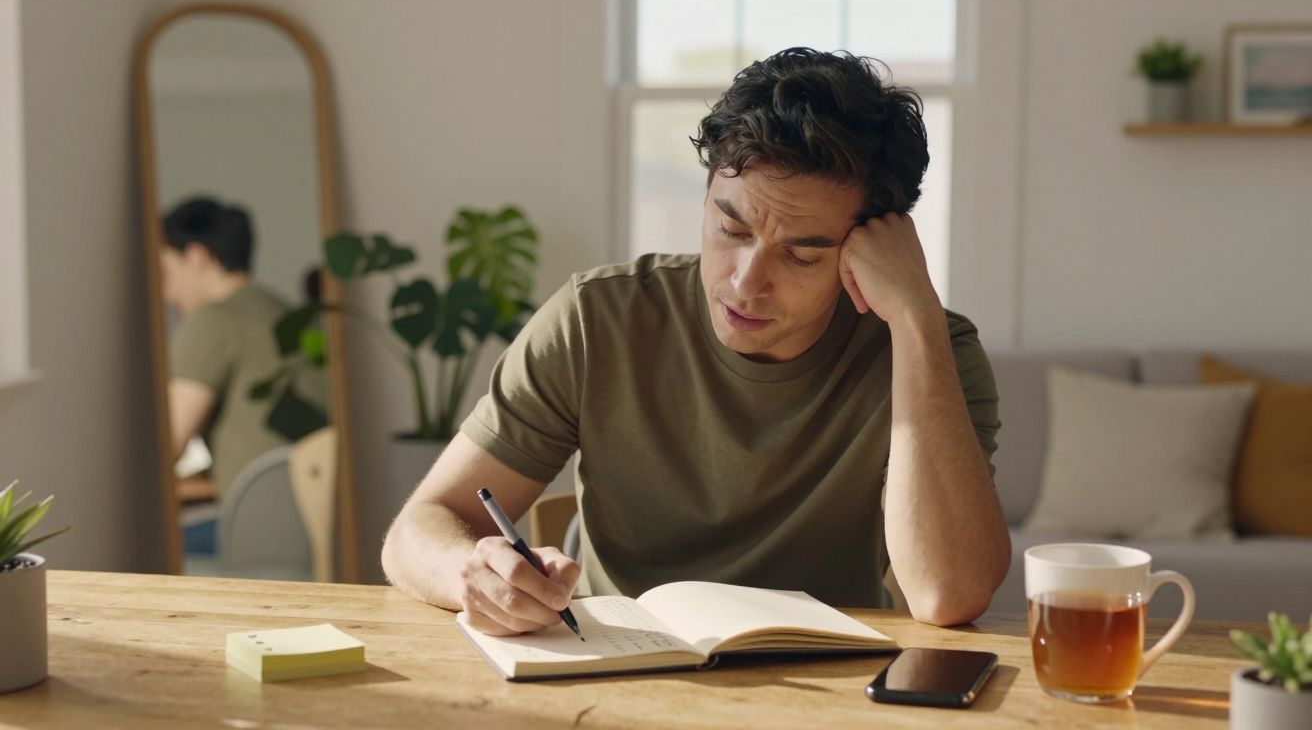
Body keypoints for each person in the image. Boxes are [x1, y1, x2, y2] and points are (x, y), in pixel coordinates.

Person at [381, 48, 1010, 634]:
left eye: (801, 255)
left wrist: (916, 318)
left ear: (870, 248)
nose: (745, 283)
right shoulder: (597, 320)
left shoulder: (929, 348)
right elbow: (419, 528)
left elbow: (947, 593)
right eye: (731, 230)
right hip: (618, 669)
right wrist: (472, 573)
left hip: (833, 681)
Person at [161, 196, 326, 500]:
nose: (167, 295)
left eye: (166, 275)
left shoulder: (212, 320)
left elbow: (164, 449)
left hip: (257, 514)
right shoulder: (289, 314)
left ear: (196, 257)